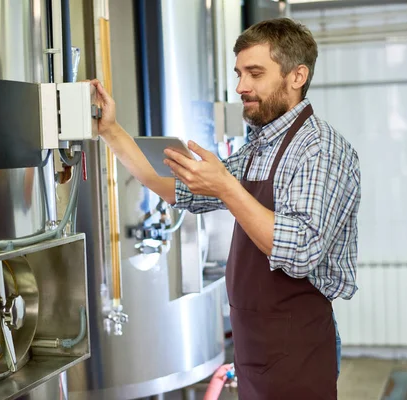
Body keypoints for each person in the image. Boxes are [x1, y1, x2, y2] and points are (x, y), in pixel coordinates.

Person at [91, 17, 360, 399]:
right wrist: (111, 131)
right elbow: (175, 190)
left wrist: (226, 187)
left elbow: (300, 251)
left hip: (297, 352)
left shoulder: (319, 150)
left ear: (297, 76)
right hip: (257, 350)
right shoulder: (258, 148)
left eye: (255, 73)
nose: (241, 87)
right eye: (238, 73)